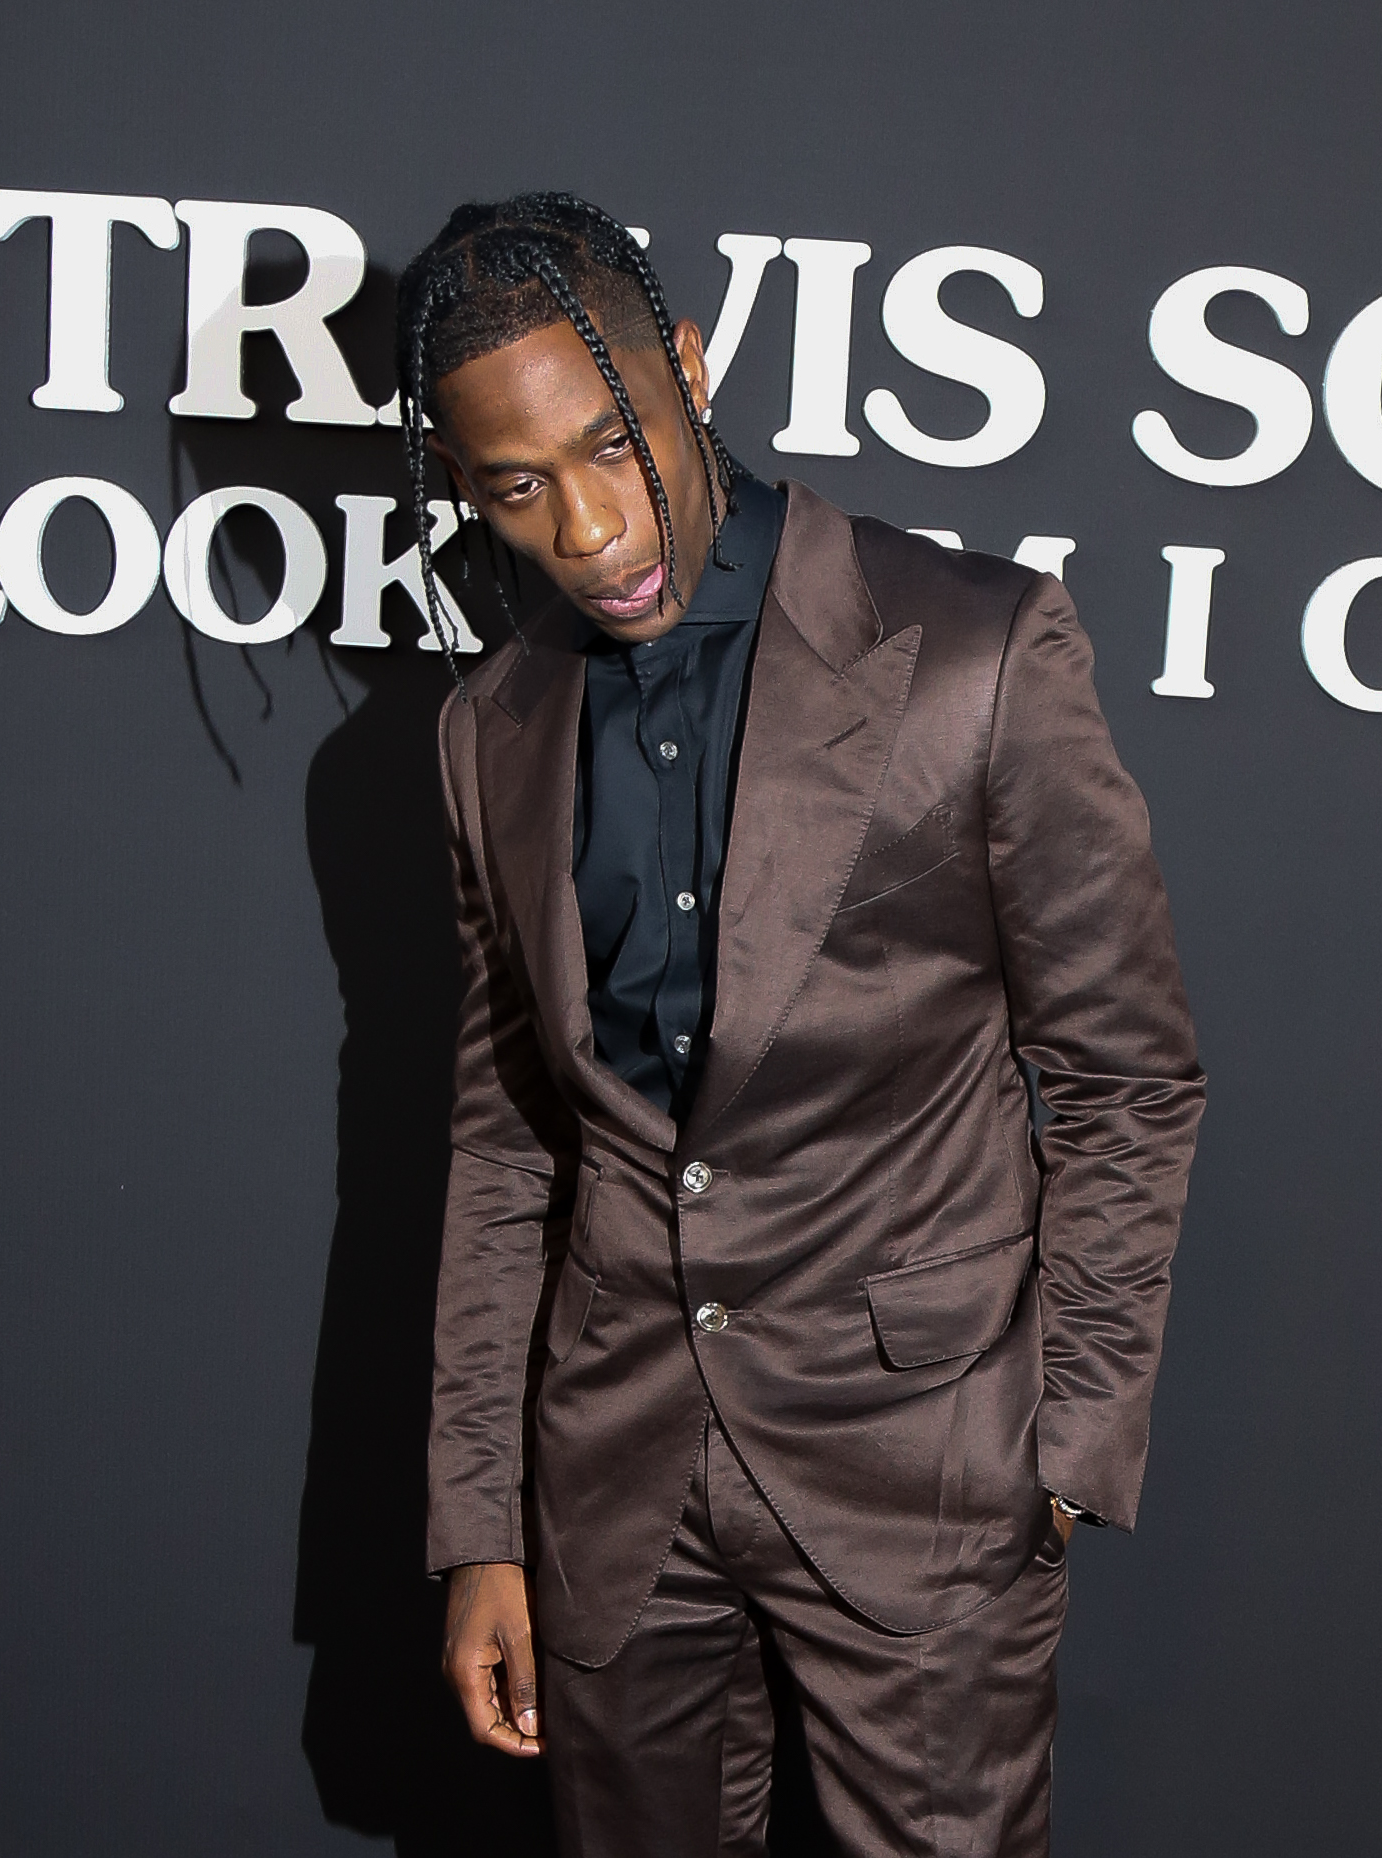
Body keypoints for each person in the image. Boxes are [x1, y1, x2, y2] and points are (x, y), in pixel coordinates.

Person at [394, 193, 1203, 1858]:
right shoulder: (492, 731)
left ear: (688, 369)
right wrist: (481, 1519)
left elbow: (1126, 1074)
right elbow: (508, 1141)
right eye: (517, 486)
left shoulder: (976, 650)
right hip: (616, 1483)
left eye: (611, 442)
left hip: (925, 1472)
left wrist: (1063, 1446)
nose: (589, 525)